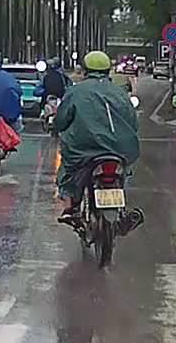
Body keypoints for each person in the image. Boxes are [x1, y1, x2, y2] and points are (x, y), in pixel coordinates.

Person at [55, 50, 142, 224]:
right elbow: (133, 123)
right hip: (121, 149)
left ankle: (70, 205)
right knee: (125, 171)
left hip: (83, 149)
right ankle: (122, 209)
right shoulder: (120, 93)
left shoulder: (76, 91)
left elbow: (61, 120)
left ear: (85, 70)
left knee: (67, 171)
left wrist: (57, 126)